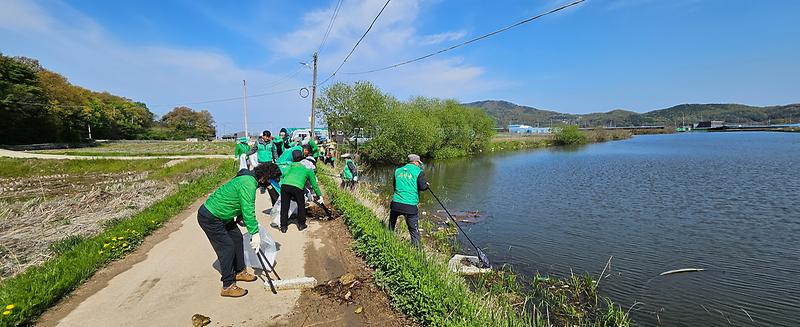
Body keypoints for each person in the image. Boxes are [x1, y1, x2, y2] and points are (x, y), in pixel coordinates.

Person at [197, 163, 277, 297]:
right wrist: (254, 233)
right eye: (269, 181)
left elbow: (240, 202)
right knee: (227, 247)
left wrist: (239, 216)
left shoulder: (248, 178)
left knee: (237, 239)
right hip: (211, 217)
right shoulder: (248, 183)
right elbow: (248, 209)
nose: (268, 184)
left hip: (224, 216)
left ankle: (239, 272)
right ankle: (227, 285)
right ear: (264, 178)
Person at [279, 148, 323, 233]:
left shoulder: (291, 165)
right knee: (301, 205)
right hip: (297, 187)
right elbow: (314, 185)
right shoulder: (309, 169)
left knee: (284, 206)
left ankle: (283, 226)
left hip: (285, 186)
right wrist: (319, 195)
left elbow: (284, 174)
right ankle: (301, 224)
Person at [389, 154, 428, 247]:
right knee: (414, 231)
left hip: (396, 203)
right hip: (410, 206)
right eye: (419, 163)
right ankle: (417, 250)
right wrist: (426, 185)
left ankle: (388, 240)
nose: (419, 165)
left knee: (391, 225)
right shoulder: (419, 171)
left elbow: (394, 186)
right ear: (415, 162)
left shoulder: (397, 171)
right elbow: (422, 187)